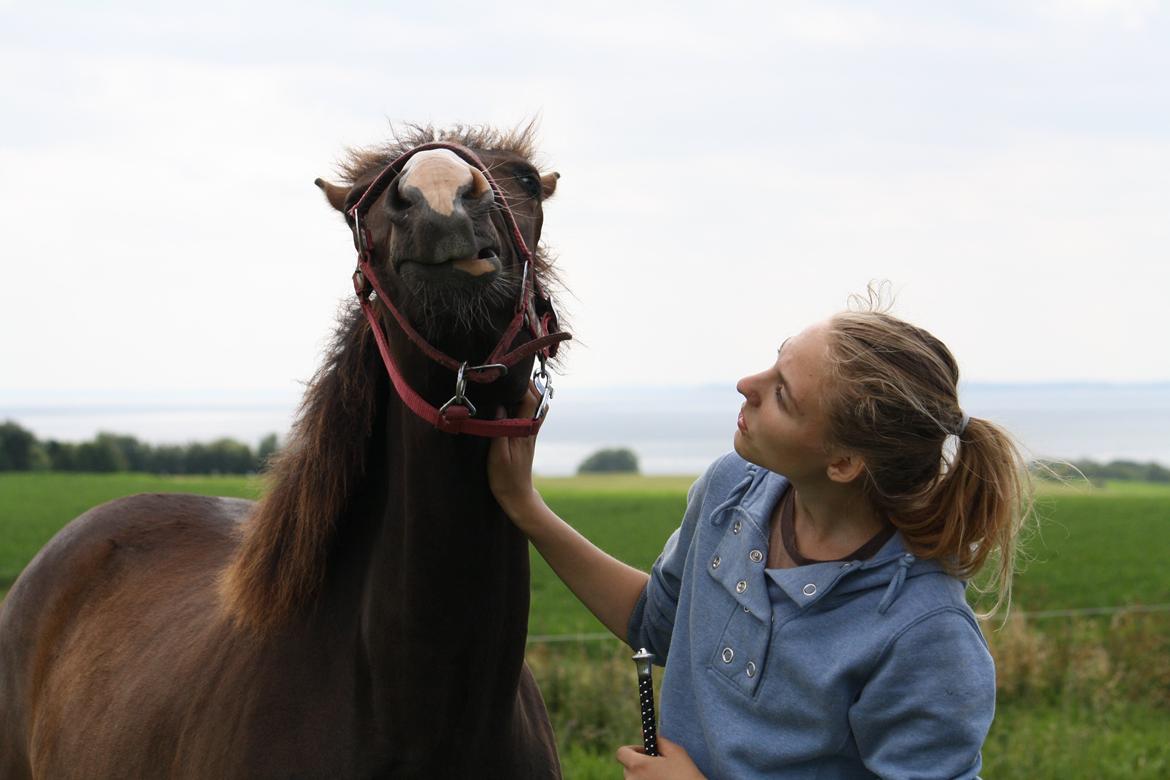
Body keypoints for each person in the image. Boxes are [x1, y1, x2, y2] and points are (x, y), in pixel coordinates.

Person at [489, 303, 1029, 779]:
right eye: (774, 361)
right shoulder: (731, 489)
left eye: (782, 395)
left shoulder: (926, 633)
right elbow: (657, 622)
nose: (748, 382)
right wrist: (526, 507)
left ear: (841, 463)